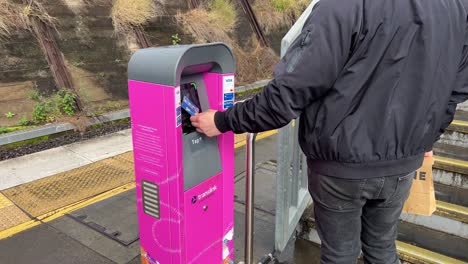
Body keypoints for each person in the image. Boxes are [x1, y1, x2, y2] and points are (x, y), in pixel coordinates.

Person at [191, 0, 468, 263]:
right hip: (404, 164)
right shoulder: (457, 7)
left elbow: (291, 89)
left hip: (340, 167)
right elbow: (455, 92)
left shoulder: (346, 5)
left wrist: (224, 121)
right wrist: (427, 137)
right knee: (383, 249)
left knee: (340, 255)